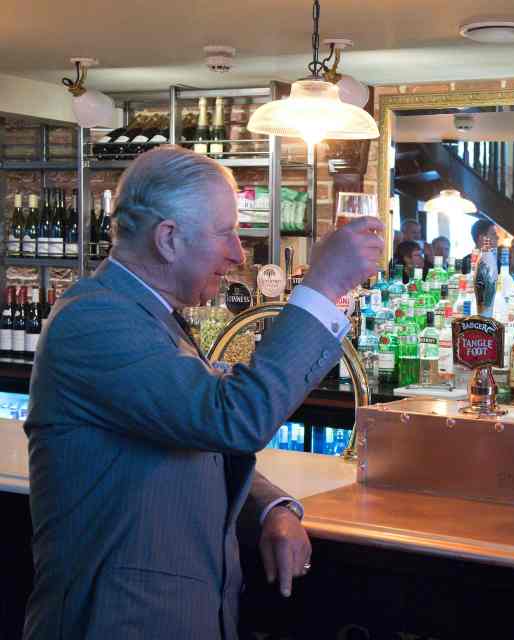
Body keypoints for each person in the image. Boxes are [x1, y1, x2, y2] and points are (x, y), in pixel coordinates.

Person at [23, 146, 384, 639]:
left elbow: (190, 440)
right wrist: (323, 284)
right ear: (168, 239)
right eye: (226, 233)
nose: (238, 252)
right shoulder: (95, 320)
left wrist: (270, 507)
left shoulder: (150, 315)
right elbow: (234, 418)